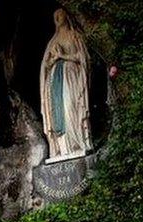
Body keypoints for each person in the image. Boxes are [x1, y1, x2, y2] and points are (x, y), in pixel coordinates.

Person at [39, 8, 92, 161]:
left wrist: (62, 56)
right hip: (55, 82)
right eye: (54, 16)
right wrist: (51, 61)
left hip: (71, 78)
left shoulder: (74, 36)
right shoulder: (52, 42)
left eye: (60, 14)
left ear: (67, 16)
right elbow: (45, 66)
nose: (57, 17)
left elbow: (83, 58)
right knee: (58, 112)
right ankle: (63, 148)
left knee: (71, 108)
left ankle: (78, 143)